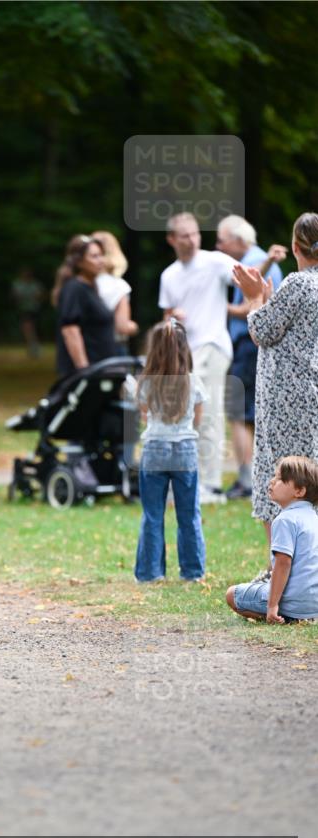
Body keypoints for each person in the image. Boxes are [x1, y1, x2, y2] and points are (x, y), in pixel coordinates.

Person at [232, 211, 318, 570]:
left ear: (297, 247)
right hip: (311, 394)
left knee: (281, 480)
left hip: (287, 399)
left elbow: (262, 331)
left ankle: (281, 570)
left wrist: (254, 298)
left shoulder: (299, 283)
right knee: (309, 480)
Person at [158, 212, 236, 503]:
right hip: (184, 353)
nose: (191, 239)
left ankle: (211, 485)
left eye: (195, 233)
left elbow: (247, 278)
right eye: (184, 235)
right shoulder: (169, 275)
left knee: (210, 414)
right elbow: (165, 317)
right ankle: (185, 480)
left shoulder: (215, 261)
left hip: (213, 346)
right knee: (181, 417)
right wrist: (172, 317)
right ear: (171, 240)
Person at [215, 215, 284, 499]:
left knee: (238, 412)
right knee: (252, 413)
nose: (217, 245)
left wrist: (220, 306)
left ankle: (246, 480)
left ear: (238, 241)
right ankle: (259, 477)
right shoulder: (258, 260)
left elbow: (255, 304)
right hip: (253, 346)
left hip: (246, 343)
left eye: (221, 240)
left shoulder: (253, 262)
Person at [134, 318, 207, 583]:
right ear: (184, 348)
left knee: (152, 514)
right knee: (189, 515)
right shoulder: (193, 382)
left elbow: (145, 415)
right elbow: (197, 419)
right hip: (185, 449)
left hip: (154, 449)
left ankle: (150, 573)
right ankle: (193, 572)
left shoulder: (147, 383)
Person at [226, 456, 318, 623]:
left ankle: (282, 617)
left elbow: (283, 563)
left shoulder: (285, 520)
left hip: (293, 603)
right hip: (314, 604)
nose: (272, 481)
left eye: (280, 479)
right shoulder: (313, 517)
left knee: (232, 594)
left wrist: (272, 605)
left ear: (299, 491)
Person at [51, 235, 116, 378]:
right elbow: (70, 330)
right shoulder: (75, 289)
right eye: (94, 256)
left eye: (101, 255)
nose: (100, 261)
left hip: (101, 370)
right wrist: (84, 371)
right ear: (79, 262)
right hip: (87, 373)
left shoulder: (91, 288)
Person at [91, 230, 138, 353]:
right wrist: (134, 327)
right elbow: (122, 327)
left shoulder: (81, 284)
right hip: (113, 348)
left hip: (87, 347)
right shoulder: (119, 286)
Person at [11, 267, 44, 358]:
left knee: (32, 329)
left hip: (34, 309)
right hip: (24, 310)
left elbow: (40, 296)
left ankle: (33, 347)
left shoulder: (35, 284)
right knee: (27, 328)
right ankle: (33, 347)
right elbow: (15, 297)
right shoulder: (18, 284)